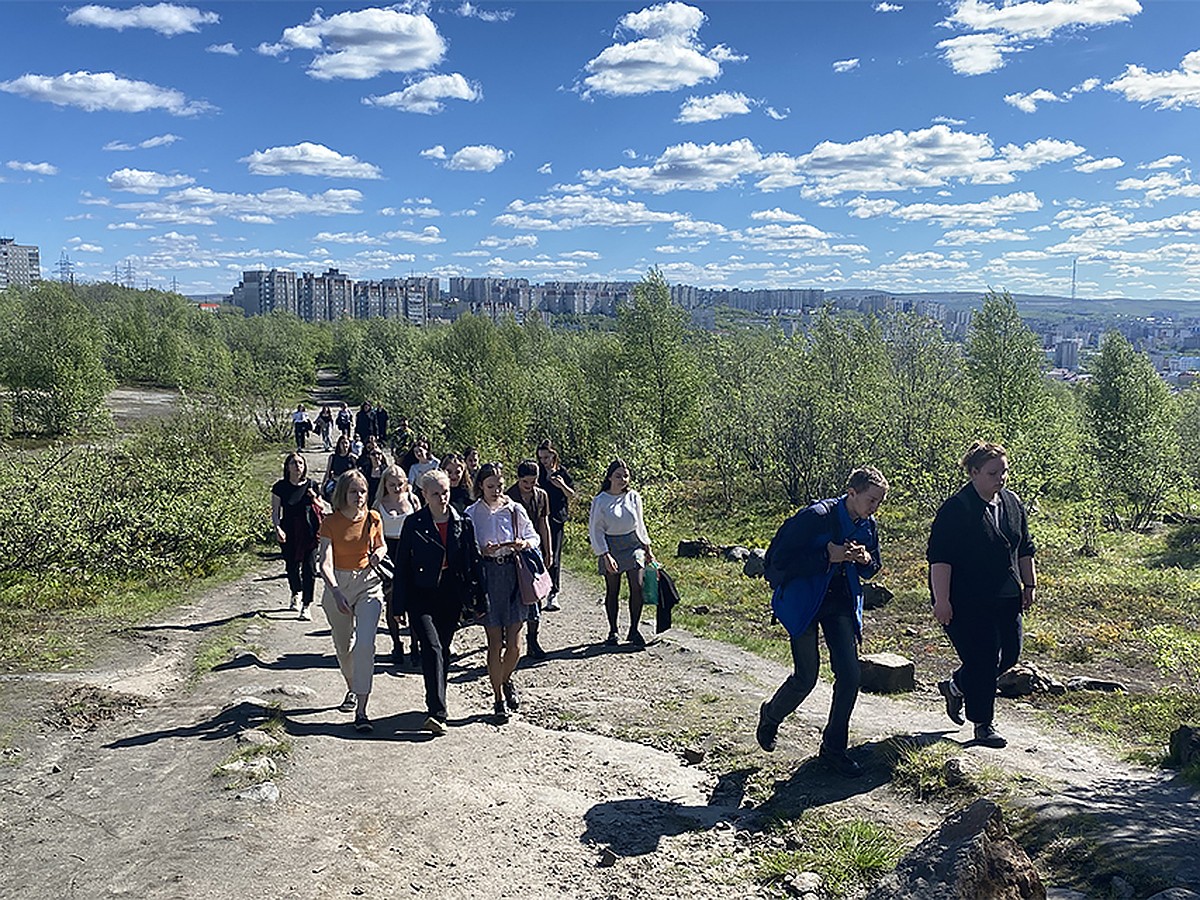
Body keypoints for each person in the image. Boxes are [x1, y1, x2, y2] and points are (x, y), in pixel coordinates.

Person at [754, 466, 888, 778]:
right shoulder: (816, 517)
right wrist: (827, 557)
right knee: (807, 676)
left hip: (840, 603)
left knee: (850, 675)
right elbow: (777, 562)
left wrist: (865, 560)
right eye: (871, 500)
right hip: (804, 602)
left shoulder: (868, 525)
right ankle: (771, 715)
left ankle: (833, 750)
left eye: (879, 502)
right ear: (851, 493)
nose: (874, 508)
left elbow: (874, 566)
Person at [928, 442, 1037, 750]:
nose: (1000, 478)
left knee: (1010, 655)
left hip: (1005, 595)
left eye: (1004, 471)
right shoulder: (956, 509)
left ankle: (956, 686)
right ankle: (983, 725)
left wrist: (1029, 585)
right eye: (992, 473)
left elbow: (1024, 548)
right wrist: (942, 600)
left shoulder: (1012, 503)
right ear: (973, 473)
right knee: (983, 657)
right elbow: (940, 559)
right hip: (965, 598)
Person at [395, 469, 487, 735]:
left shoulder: (462, 521)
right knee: (432, 647)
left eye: (445, 491)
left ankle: (436, 700)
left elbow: (474, 562)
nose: (442, 497)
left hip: (451, 593)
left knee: (443, 649)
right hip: (421, 593)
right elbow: (402, 566)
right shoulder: (413, 523)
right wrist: (398, 606)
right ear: (424, 495)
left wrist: (481, 600)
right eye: (435, 493)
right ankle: (437, 711)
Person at [466, 463, 540, 724]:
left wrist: (524, 543)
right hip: (488, 576)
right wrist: (480, 550)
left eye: (499, 485)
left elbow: (535, 536)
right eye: (490, 486)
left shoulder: (514, 509)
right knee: (495, 642)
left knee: (515, 645)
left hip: (513, 574)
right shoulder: (472, 513)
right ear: (480, 487)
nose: (495, 490)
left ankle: (506, 678)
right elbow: (466, 546)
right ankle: (498, 697)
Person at [317, 469, 387, 733]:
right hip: (338, 584)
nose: (359, 496)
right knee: (344, 646)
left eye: (362, 491)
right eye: (353, 491)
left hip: (369, 583)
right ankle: (351, 687)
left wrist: (378, 555)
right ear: (343, 493)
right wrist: (335, 591)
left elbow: (381, 545)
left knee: (365, 644)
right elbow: (324, 561)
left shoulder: (373, 517)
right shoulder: (331, 522)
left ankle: (362, 710)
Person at [588, 459, 654, 648]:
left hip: (633, 544)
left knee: (638, 585)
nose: (622, 479)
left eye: (625, 476)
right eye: (618, 476)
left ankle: (634, 629)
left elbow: (640, 524)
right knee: (613, 589)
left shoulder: (633, 497)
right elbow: (596, 529)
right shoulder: (600, 500)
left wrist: (647, 547)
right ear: (609, 477)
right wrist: (604, 554)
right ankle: (613, 630)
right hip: (611, 545)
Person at [374, 465, 421, 669]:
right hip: (389, 552)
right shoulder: (378, 505)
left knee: (415, 602)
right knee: (392, 601)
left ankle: (416, 646)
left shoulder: (413, 500)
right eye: (392, 484)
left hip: (411, 551)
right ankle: (396, 644)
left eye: (400, 483)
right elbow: (373, 534)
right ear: (385, 484)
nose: (396, 487)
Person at [507, 459, 553, 660]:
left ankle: (533, 639)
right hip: (513, 551)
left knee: (536, 594)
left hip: (533, 549)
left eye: (534, 481)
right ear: (519, 480)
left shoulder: (541, 495)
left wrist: (548, 550)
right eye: (526, 482)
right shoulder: (509, 497)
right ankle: (508, 636)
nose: (530, 486)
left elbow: (544, 523)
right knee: (514, 594)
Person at [270, 452, 322, 620]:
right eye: (293, 463)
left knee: (310, 569)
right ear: (287, 466)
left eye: (300, 463)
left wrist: (315, 498)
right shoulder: (280, 487)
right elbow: (276, 512)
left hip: (309, 531)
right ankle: (296, 592)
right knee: (292, 566)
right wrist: (277, 528)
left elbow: (321, 506)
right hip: (289, 530)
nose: (297, 466)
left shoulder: (312, 485)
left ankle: (306, 605)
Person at [537, 440, 575, 611]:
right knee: (539, 554)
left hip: (557, 519)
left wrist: (561, 485)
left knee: (554, 556)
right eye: (541, 457)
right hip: (538, 518)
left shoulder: (561, 473)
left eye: (546, 457)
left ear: (553, 455)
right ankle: (538, 591)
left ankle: (553, 593)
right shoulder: (536, 473)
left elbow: (572, 494)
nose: (543, 460)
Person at [322, 435, 358, 501]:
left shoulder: (353, 458)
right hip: (336, 482)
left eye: (346, 443)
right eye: (342, 443)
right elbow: (328, 472)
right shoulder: (333, 457)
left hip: (348, 483)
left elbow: (357, 472)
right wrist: (323, 485)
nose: (344, 445)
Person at [357, 435, 389, 507]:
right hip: (369, 501)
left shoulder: (386, 470)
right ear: (369, 456)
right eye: (373, 454)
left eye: (378, 454)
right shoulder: (365, 470)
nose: (376, 456)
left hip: (383, 501)